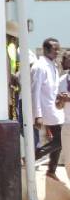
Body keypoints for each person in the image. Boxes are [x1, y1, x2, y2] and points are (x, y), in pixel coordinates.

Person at [31, 38, 65, 179]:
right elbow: (35, 91)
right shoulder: (40, 66)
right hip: (46, 110)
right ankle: (35, 155)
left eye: (58, 49)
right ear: (45, 50)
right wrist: (37, 115)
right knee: (61, 140)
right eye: (54, 49)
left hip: (55, 109)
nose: (57, 51)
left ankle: (51, 171)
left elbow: (52, 89)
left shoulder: (53, 65)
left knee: (60, 141)